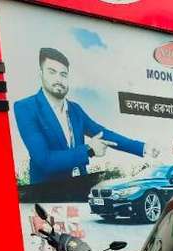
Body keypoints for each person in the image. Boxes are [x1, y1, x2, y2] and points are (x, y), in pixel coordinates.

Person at [13, 48, 159, 185]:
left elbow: (104, 134)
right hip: (46, 199)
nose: (58, 79)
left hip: (80, 191)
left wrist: (143, 147)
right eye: (52, 72)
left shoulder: (75, 109)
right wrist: (88, 149)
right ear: (41, 74)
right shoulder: (25, 107)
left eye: (63, 74)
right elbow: (44, 159)